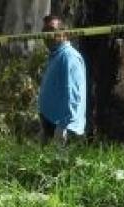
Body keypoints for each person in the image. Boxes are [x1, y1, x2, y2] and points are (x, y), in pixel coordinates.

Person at [38, 15, 87, 145]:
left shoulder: (69, 56)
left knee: (61, 164)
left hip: (63, 128)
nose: (47, 35)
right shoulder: (56, 55)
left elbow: (74, 94)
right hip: (51, 124)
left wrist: (64, 127)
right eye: (44, 31)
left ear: (64, 34)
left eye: (51, 30)